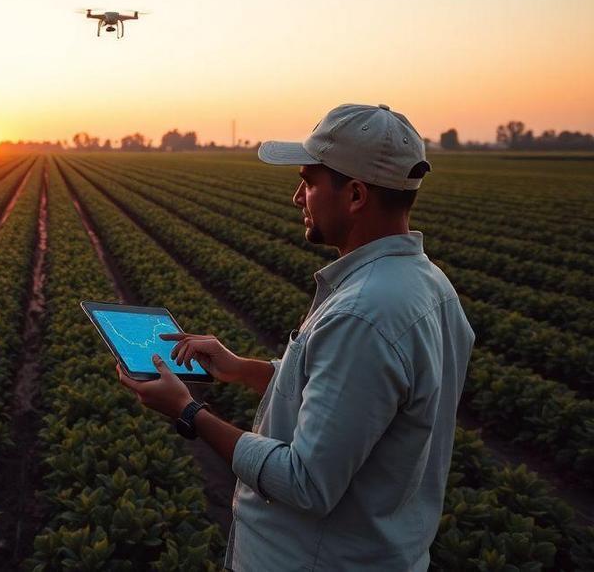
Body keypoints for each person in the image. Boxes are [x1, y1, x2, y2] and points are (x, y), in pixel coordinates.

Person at [116, 103, 475, 570]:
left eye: (308, 181)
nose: (296, 197)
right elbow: (357, 402)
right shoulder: (430, 285)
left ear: (356, 195)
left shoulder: (362, 314)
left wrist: (188, 412)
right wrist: (242, 369)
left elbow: (305, 482)